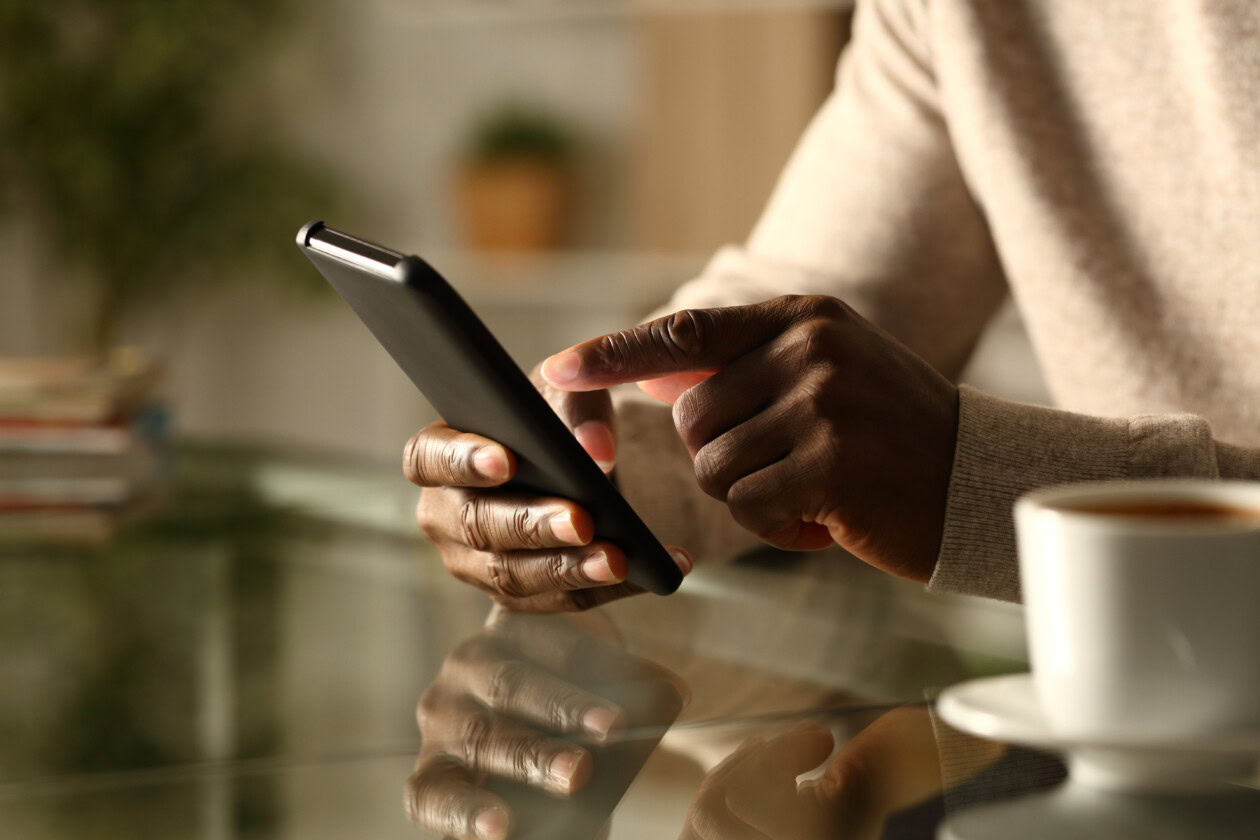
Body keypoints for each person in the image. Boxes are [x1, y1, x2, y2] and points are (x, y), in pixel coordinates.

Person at [405, 0, 1260, 609]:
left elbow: (915, 443)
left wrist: (980, 476)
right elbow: (807, 294)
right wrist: (589, 476)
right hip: (1139, 704)